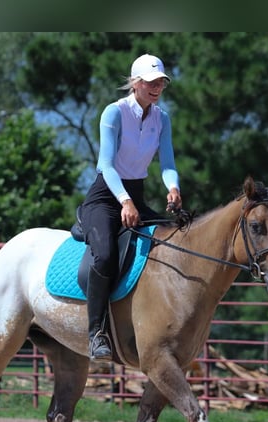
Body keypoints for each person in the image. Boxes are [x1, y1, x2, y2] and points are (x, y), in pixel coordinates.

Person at [78, 53, 183, 362]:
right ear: (136, 83)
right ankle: (96, 333)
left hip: (134, 195)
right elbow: (105, 166)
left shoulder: (161, 118)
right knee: (107, 255)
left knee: (173, 237)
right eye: (151, 82)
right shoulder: (114, 113)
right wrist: (124, 200)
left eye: (161, 82)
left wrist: (173, 187)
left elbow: (167, 164)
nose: (157, 87)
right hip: (105, 197)